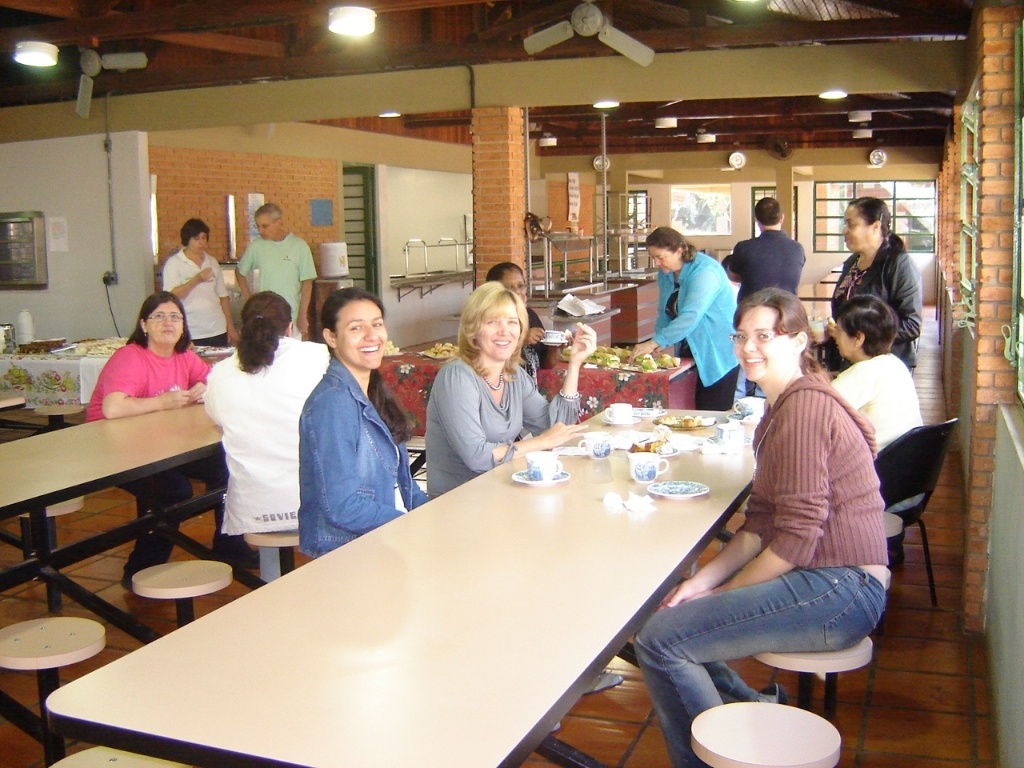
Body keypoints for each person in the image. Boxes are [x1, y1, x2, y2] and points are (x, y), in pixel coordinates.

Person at [634, 288, 888, 768]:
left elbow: (794, 539)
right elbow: (760, 523)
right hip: (828, 578)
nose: (748, 347)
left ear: (796, 340)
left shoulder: (804, 410)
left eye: (763, 336)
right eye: (741, 336)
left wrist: (724, 591)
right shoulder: (782, 407)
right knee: (678, 620)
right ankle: (752, 712)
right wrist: (701, 584)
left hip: (842, 587)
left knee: (661, 639)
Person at [86, 292, 255, 586]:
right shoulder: (130, 357)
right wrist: (164, 402)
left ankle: (229, 546)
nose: (168, 322)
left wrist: (204, 388)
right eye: (159, 316)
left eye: (175, 317)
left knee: (228, 466)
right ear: (143, 325)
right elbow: (113, 408)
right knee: (173, 491)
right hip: (115, 451)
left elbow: (212, 380)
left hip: (162, 444)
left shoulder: (182, 356)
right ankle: (141, 568)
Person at [425, 281, 595, 497]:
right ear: (472, 331)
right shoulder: (457, 376)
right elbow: (477, 457)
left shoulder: (513, 374)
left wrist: (575, 363)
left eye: (512, 322)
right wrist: (541, 442)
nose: (504, 332)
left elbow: (554, 427)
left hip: (501, 493)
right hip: (457, 503)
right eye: (492, 322)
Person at [204, 292, 330, 577]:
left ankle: (270, 592)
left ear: (243, 326)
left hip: (254, 506)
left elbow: (217, 417)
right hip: (315, 499)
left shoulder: (221, 372)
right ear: (289, 328)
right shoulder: (316, 355)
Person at [298, 288, 428, 557]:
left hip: (388, 539)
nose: (372, 336)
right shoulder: (333, 403)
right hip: (351, 551)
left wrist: (432, 517)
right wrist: (410, 524)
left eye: (377, 324)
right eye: (356, 328)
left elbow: (403, 484)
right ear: (331, 337)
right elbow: (342, 506)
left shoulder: (373, 392)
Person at [630, 226, 739, 411]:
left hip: (716, 351)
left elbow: (690, 316)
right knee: (688, 411)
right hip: (691, 348)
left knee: (711, 413)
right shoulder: (666, 273)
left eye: (660, 257)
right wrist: (658, 344)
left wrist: (655, 341)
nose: (656, 263)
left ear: (679, 251)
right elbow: (664, 311)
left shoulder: (705, 272)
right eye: (653, 257)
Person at [827, 197, 922, 371]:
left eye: (851, 224)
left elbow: (912, 325)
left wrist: (857, 336)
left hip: (884, 369)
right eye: (845, 224)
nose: (844, 231)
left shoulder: (898, 264)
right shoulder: (853, 263)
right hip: (851, 365)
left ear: (876, 226)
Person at [831, 295, 923, 450]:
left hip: (876, 466)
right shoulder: (895, 363)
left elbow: (816, 411)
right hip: (906, 461)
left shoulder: (861, 373)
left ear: (858, 338)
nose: (835, 336)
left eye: (838, 330)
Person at [237, 203, 318, 339]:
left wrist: (302, 314)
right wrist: (249, 299)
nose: (261, 230)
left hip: (291, 313)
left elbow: (307, 282)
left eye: (265, 226)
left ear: (278, 222)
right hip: (264, 315)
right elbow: (240, 272)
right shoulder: (256, 247)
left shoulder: (299, 246)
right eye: (258, 226)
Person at [162, 218, 238, 346]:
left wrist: (230, 327)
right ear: (187, 240)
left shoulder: (212, 261)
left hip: (216, 328)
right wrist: (196, 280)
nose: (201, 242)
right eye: (196, 239)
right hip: (190, 329)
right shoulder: (174, 263)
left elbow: (223, 297)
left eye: (204, 238)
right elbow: (171, 296)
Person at [725, 197, 806, 302]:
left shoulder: (744, 248)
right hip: (787, 311)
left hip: (751, 312)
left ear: (756, 219)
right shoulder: (797, 249)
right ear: (782, 218)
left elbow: (732, 277)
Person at [485, 261, 546, 379]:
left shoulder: (530, 316)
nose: (518, 292)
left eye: (520, 286)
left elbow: (545, 362)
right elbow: (486, 355)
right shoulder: (487, 319)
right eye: (509, 287)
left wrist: (556, 347)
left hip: (529, 390)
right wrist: (522, 340)